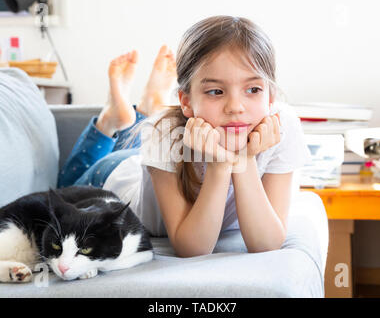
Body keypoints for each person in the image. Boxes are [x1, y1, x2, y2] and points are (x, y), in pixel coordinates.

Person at [58, 16, 311, 258]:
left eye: (253, 89)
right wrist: (219, 165)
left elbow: (266, 243)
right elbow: (192, 248)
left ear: (270, 97)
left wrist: (244, 160)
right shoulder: (163, 132)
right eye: (215, 91)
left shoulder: (282, 125)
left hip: (159, 150)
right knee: (63, 189)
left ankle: (150, 104)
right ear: (186, 102)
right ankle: (111, 120)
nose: (236, 106)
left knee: (154, 131)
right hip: (115, 176)